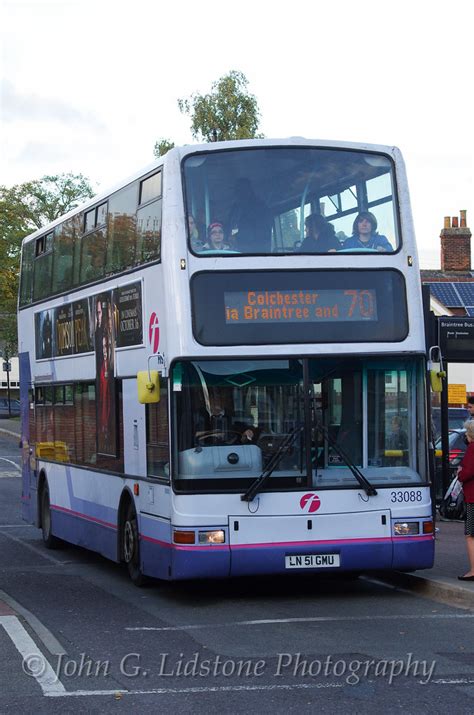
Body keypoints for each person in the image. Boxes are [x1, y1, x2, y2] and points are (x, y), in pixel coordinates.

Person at [227, 178, 272, 252]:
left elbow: (264, 230)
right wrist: (232, 235)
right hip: (238, 250)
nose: (239, 193)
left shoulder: (260, 207)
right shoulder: (236, 209)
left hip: (258, 250)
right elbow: (234, 226)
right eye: (237, 191)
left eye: (242, 190)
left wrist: (237, 236)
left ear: (249, 190)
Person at [456, 419, 474, 580]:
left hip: (473, 498)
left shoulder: (472, 449)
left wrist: (459, 473)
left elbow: (466, 473)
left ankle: (473, 570)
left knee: (471, 534)